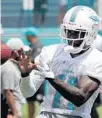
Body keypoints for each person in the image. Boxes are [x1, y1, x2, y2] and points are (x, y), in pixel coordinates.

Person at [18, 6, 102, 118]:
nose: (71, 37)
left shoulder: (96, 59)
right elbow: (27, 92)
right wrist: (25, 75)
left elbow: (80, 97)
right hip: (46, 114)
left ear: (91, 34)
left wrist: (51, 77)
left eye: (77, 33)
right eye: (68, 31)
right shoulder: (50, 52)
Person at [1, 38, 27, 118]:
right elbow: (8, 92)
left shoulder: (11, 65)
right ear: (16, 52)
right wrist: (15, 113)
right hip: (12, 111)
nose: (23, 54)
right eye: (21, 52)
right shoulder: (9, 67)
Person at [24, 27, 44, 118]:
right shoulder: (32, 46)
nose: (25, 37)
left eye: (26, 35)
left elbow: (34, 62)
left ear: (30, 35)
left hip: (37, 79)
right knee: (30, 101)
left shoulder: (38, 46)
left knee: (41, 102)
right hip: (31, 79)